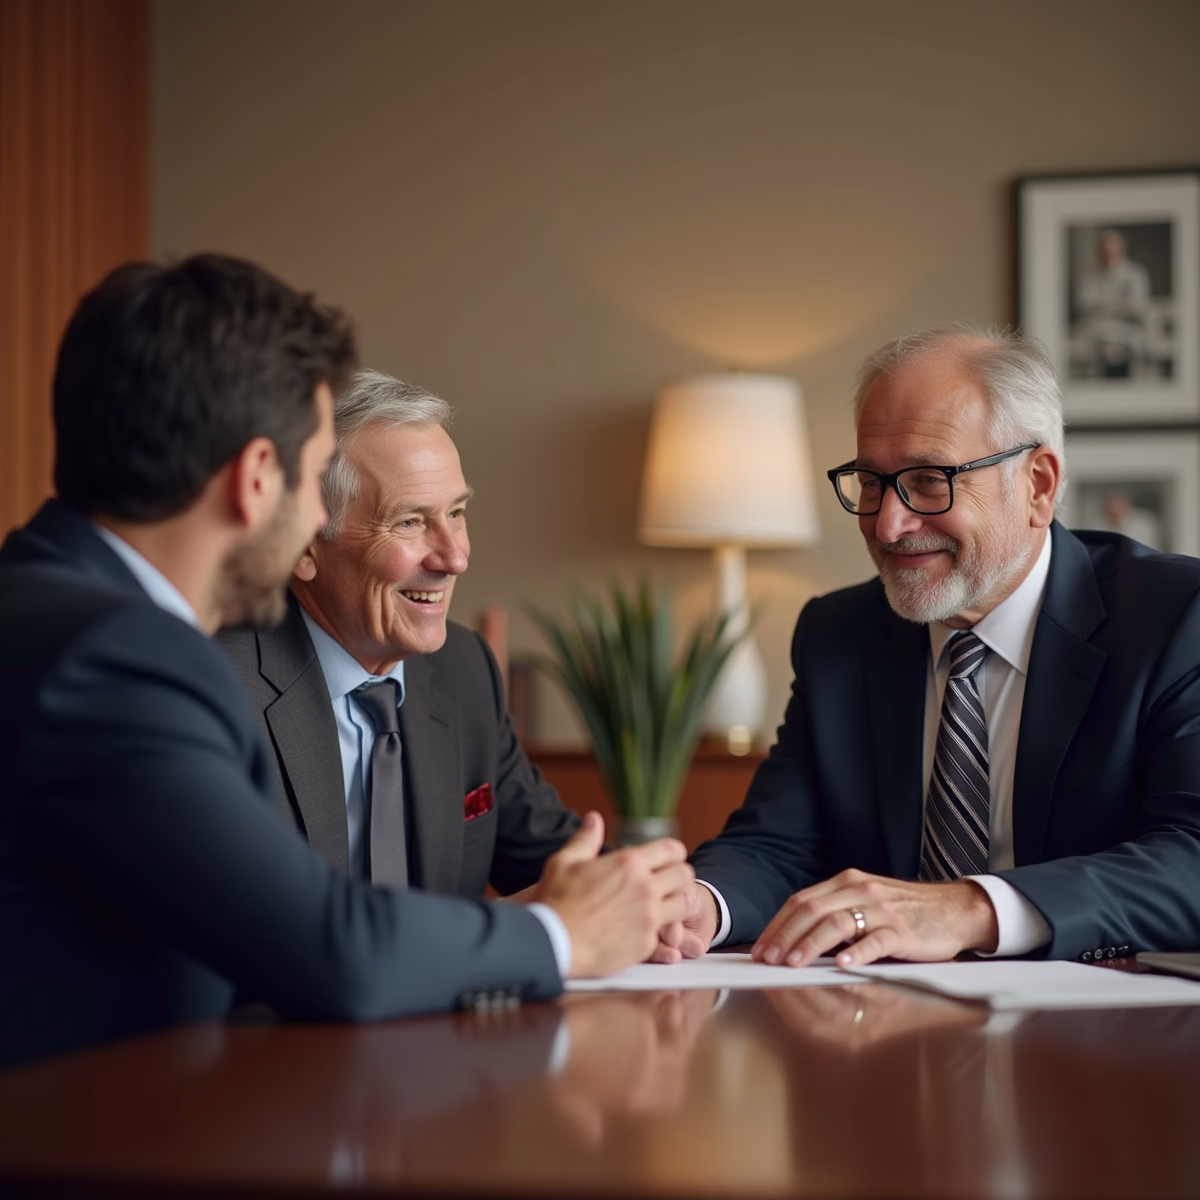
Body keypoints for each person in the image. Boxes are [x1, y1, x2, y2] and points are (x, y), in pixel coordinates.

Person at [0, 255, 692, 1069]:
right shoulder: (116, 657)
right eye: (311, 471)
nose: (455, 554)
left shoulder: (58, 610)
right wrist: (561, 933)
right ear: (259, 477)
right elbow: (333, 949)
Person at [655, 326, 1200, 969]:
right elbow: (777, 844)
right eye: (871, 481)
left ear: (1038, 486)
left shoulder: (1174, 618)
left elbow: (1190, 855)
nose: (889, 524)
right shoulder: (840, 635)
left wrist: (972, 908)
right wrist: (704, 902)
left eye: (929, 479)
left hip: (1110, 1042)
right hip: (890, 1029)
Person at [218, 369, 578, 898]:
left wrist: (674, 902)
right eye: (409, 522)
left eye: (456, 513)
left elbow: (555, 861)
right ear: (303, 547)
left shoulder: (463, 667)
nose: (455, 557)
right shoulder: (220, 687)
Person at [1073, 229, 1152, 378]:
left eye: (1113, 253)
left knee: (1136, 348)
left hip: (1127, 327)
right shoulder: (1089, 275)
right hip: (1096, 327)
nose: (1108, 258)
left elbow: (1137, 307)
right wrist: (1118, 304)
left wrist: (1103, 304)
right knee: (1085, 351)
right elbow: (1083, 304)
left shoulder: (1135, 274)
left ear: (1122, 252)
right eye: (1104, 253)